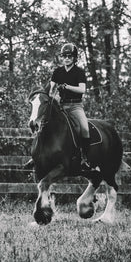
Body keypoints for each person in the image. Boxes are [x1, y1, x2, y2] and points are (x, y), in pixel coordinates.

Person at [50, 42, 92, 171]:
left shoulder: (78, 72)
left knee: (84, 128)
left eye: (69, 56)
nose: (67, 58)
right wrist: (52, 94)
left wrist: (67, 87)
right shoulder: (57, 71)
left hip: (75, 106)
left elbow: (82, 89)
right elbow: (50, 88)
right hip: (61, 106)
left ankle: (85, 157)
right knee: (44, 123)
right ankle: (37, 154)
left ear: (74, 58)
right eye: (64, 56)